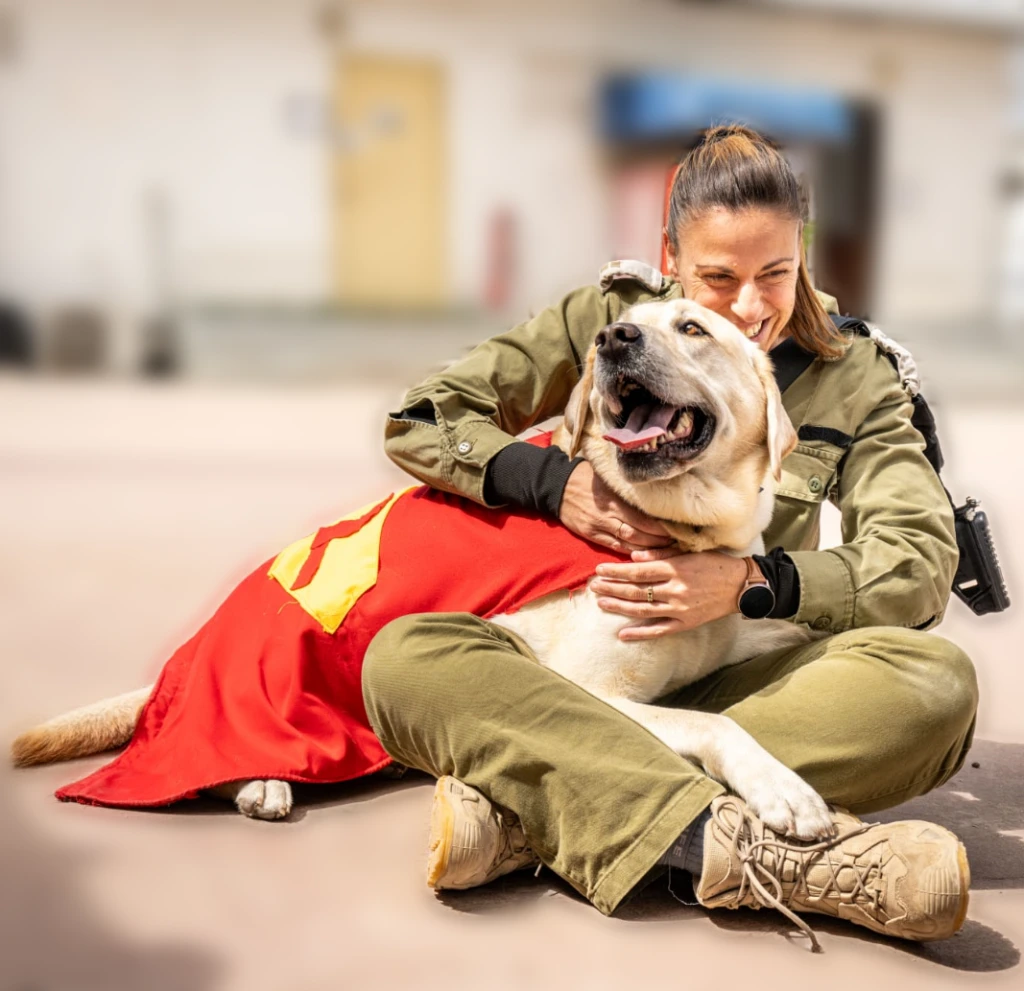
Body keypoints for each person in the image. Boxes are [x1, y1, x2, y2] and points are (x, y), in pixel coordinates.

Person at [360, 125, 978, 948]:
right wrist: (558, 483)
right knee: (403, 658)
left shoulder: (857, 374)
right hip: (580, 662)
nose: (751, 307)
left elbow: (917, 560)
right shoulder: (614, 320)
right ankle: (737, 850)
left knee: (934, 683)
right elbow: (425, 417)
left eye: (776, 275)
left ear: (805, 255)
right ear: (672, 255)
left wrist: (752, 582)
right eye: (718, 279)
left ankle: (535, 799)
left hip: (739, 677)